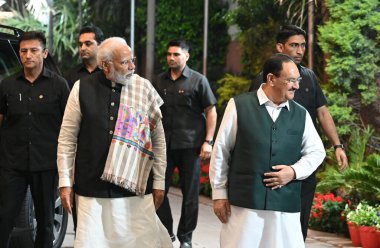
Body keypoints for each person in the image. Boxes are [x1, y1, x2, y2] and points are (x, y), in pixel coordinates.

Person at [57, 37, 172, 248]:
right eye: (125, 62)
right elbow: (67, 139)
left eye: (133, 60)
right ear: (106, 65)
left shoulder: (143, 88)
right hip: (91, 190)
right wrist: (65, 183)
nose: (132, 66)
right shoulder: (81, 88)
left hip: (135, 188)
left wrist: (159, 182)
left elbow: (158, 140)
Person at [210, 53, 326, 248]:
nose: (296, 86)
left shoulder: (301, 113)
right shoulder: (239, 105)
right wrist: (219, 194)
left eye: (298, 80)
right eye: (290, 80)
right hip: (244, 204)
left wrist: (294, 171)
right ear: (271, 79)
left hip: (285, 206)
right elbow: (221, 150)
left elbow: (317, 152)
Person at [248, 25, 348, 240]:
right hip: (273, 165)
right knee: (272, 224)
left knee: (299, 223)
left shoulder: (309, 77)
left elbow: (322, 112)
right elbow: (252, 120)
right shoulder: (264, 80)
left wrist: (337, 145)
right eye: (294, 45)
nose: (300, 50)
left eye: (303, 45)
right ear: (280, 47)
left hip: (304, 163)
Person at [0, 31, 70, 248]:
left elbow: (68, 127)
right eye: (23, 51)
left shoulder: (59, 86)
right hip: (13, 165)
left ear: (44, 53)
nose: (28, 55)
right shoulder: (8, 86)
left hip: (46, 165)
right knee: (4, 219)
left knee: (46, 223)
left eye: (33, 50)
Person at [154, 39, 217, 248]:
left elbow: (211, 111)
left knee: (190, 196)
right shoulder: (159, 81)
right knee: (158, 191)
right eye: (169, 54)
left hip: (191, 147)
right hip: (164, 147)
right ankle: (168, 233)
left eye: (176, 54)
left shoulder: (198, 81)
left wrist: (208, 141)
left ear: (186, 56)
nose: (171, 58)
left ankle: (186, 238)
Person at [64, 25, 104, 89]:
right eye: (80, 44)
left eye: (88, 44)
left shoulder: (109, 73)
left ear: (100, 45)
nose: (82, 48)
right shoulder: (70, 76)